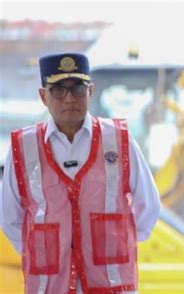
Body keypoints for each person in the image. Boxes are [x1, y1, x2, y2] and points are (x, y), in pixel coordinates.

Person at [1, 53, 161, 293]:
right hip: (49, 285)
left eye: (77, 88)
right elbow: (10, 218)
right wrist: (44, 253)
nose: (68, 98)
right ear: (43, 96)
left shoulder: (119, 140)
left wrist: (117, 243)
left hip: (111, 284)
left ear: (90, 91)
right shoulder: (23, 147)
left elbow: (148, 206)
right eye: (58, 89)